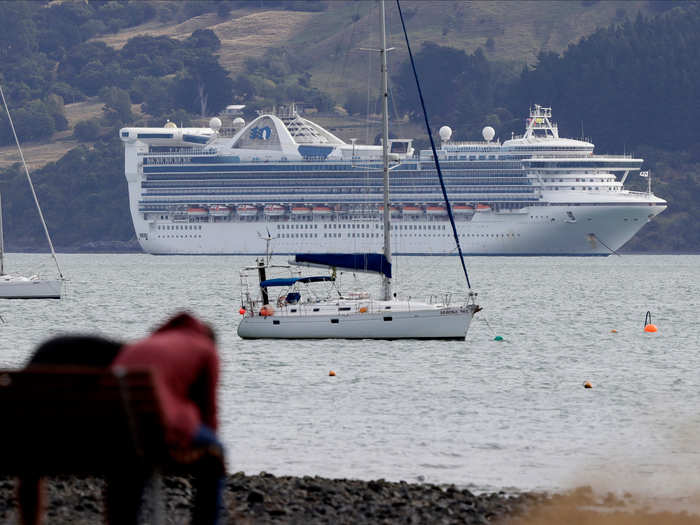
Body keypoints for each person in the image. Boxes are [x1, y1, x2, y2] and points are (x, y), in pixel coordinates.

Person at [107, 312, 225, 525]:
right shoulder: (205, 349)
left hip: (113, 431)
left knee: (130, 452)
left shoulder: (146, 343)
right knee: (214, 450)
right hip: (154, 432)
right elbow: (209, 414)